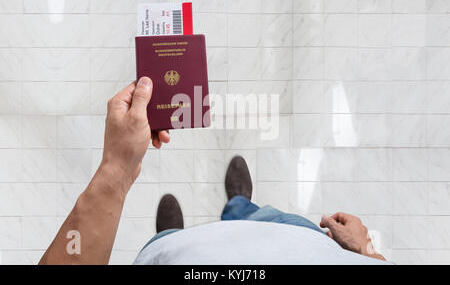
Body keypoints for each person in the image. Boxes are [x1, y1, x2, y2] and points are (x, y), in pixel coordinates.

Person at [39, 77, 389, 265]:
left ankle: (172, 234)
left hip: (175, 260)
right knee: (261, 216)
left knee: (171, 246)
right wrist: (366, 252)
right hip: (300, 242)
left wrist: (117, 168)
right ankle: (239, 204)